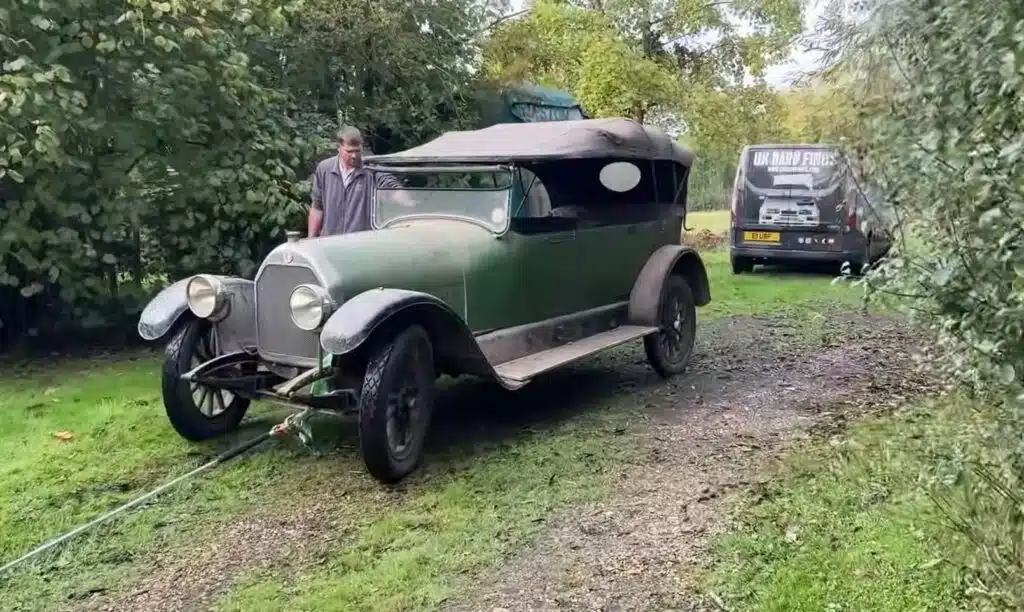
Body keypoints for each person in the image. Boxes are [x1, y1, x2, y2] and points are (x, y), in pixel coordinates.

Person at [308, 126, 405, 237]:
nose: (354, 156)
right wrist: (311, 238)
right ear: (338, 147)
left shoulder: (371, 168)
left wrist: (404, 197)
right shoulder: (325, 168)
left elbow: (391, 185)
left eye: (357, 151)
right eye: (349, 152)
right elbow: (317, 207)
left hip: (359, 244)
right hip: (329, 242)